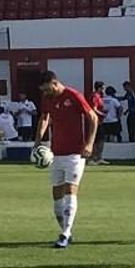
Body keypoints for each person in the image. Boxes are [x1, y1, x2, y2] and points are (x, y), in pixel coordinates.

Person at [34, 70, 97, 248]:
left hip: (75, 154)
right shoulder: (47, 98)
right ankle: (66, 231)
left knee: (70, 189)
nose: (46, 93)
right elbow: (45, 117)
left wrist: (89, 143)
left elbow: (93, 117)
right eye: (43, 91)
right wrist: (38, 141)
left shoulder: (73, 95)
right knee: (56, 199)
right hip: (56, 153)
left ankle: (65, 234)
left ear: (55, 83)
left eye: (48, 89)